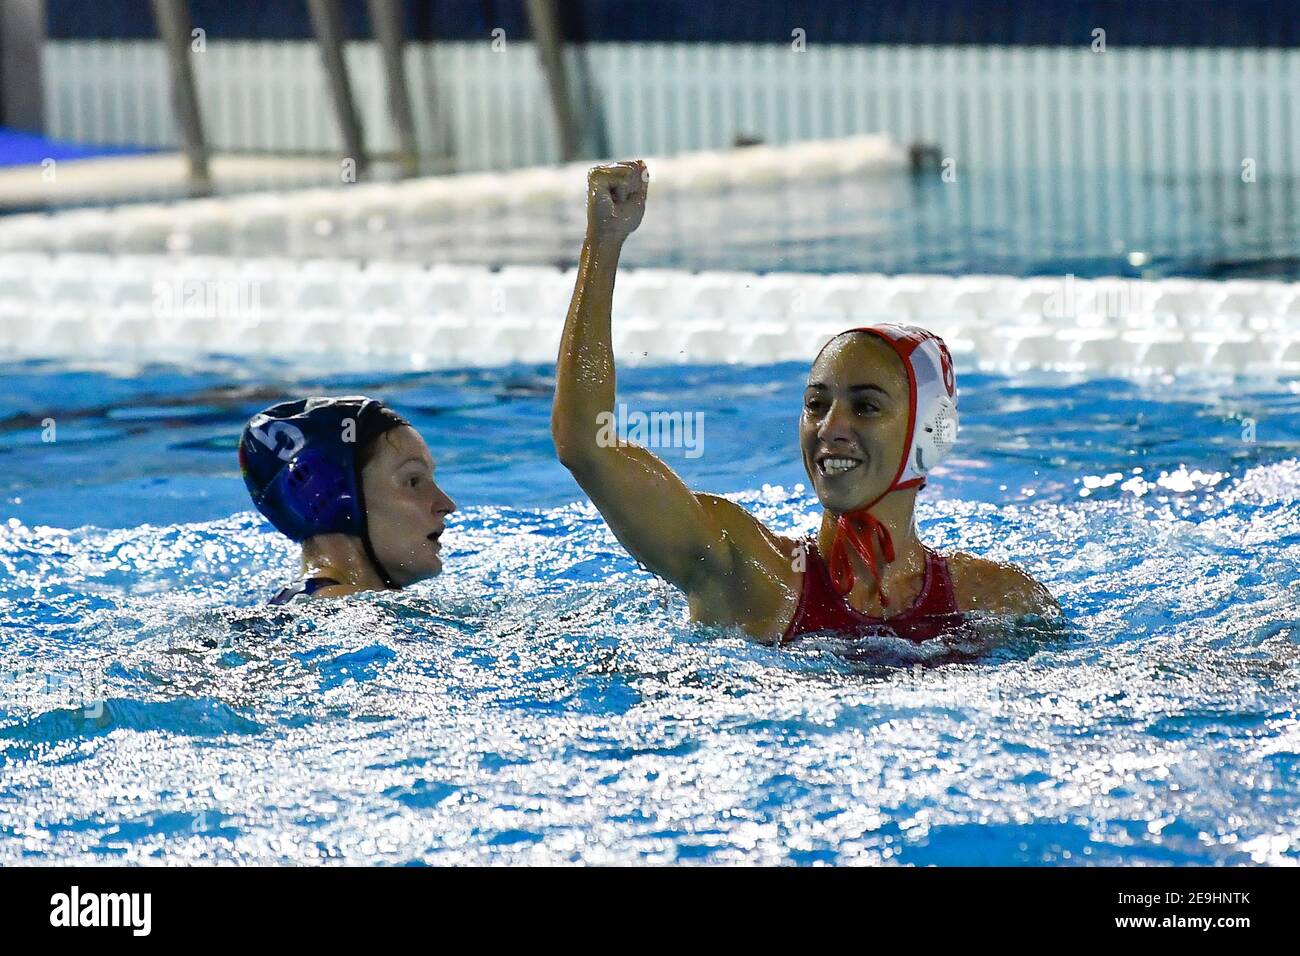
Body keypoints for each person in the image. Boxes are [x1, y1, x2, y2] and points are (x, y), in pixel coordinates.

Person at [552, 161, 1058, 645]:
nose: (831, 427)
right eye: (816, 404)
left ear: (931, 433)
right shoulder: (750, 574)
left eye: (866, 407)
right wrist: (605, 243)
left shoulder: (999, 599)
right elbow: (587, 447)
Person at [238, 396, 456, 603]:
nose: (446, 505)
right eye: (413, 481)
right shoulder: (342, 607)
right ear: (333, 498)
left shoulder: (308, 602)